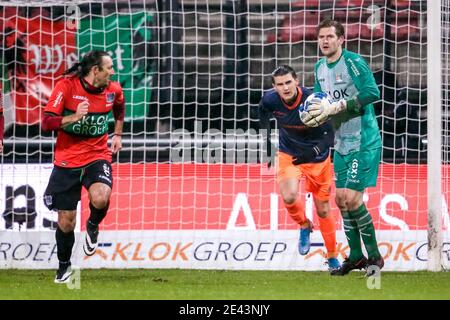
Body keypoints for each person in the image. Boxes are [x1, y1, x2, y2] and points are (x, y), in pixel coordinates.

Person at [304, 19, 384, 276]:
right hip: (341, 142)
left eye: (330, 36)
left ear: (341, 39)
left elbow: (372, 92)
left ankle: (374, 257)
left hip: (363, 139)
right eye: (321, 37)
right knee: (340, 199)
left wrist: (341, 106)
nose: (325, 41)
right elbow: (320, 102)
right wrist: (315, 115)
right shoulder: (318, 68)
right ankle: (356, 256)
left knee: (351, 198)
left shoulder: (352, 62)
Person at [42, 50, 125, 283]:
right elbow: (47, 122)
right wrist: (73, 118)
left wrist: (117, 134)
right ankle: (64, 266)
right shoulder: (66, 87)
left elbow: (119, 107)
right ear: (95, 70)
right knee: (66, 221)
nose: (113, 71)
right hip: (67, 160)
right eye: (109, 67)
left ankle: (93, 225)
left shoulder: (113, 89)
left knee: (101, 197)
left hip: (97, 155)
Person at [259, 65, 340, 272]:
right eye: (280, 84)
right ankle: (304, 224)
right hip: (289, 154)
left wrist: (311, 153)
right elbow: (263, 114)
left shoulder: (314, 101)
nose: (285, 87)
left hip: (318, 158)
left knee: (323, 209)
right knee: (288, 196)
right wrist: (267, 146)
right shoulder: (270, 100)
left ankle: (332, 257)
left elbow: (330, 137)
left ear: (297, 81)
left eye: (288, 82)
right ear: (274, 87)